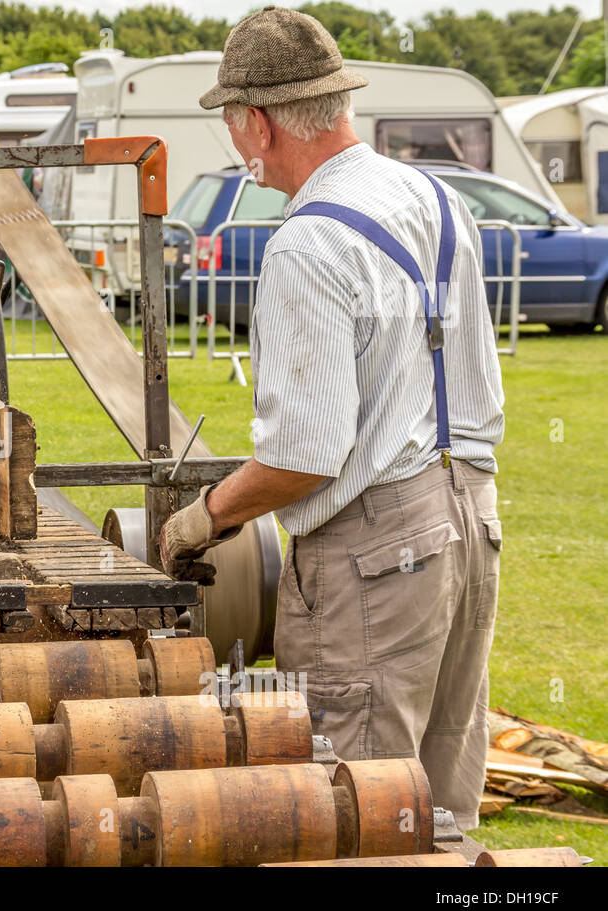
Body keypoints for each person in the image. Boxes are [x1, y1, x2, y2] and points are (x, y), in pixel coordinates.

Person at [158, 6, 504, 831]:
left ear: (263, 125)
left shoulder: (306, 244)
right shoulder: (436, 196)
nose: (239, 146)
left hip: (375, 557)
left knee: (360, 805)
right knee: (440, 804)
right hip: (470, 520)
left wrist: (199, 522)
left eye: (236, 125)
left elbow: (305, 458)